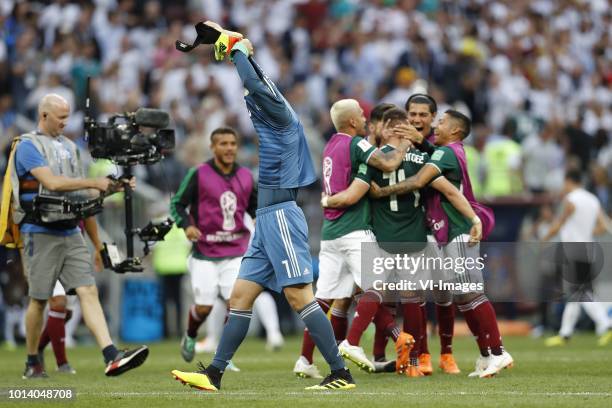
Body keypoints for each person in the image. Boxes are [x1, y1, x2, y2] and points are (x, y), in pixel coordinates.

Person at [171, 23, 354, 391]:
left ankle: (339, 372)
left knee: (299, 295)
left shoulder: (281, 115)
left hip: (282, 215)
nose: (249, 110)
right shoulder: (275, 111)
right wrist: (238, 48)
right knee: (240, 296)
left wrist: (237, 49)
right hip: (268, 218)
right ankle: (215, 374)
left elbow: (254, 85)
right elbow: (256, 82)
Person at [324, 107, 481, 377]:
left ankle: (362, 348)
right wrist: (474, 218)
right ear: (403, 129)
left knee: (374, 296)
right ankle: (415, 362)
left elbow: (356, 193)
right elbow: (450, 191)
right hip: (413, 237)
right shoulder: (422, 159)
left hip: (380, 238)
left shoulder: (370, 160)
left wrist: (328, 199)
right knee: (412, 298)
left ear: (387, 129)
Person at [12, 93, 149, 378]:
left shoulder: (71, 148)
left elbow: (80, 194)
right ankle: (32, 359)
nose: (65, 122)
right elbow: (51, 182)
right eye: (60, 117)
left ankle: (111, 355)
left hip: (70, 229)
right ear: (44, 115)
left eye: (67, 116)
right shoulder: (28, 146)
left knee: (88, 290)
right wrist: (93, 182)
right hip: (40, 230)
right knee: (39, 299)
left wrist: (110, 188)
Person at [370, 109, 513, 378]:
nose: (436, 125)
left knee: (469, 294)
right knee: (461, 297)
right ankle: (484, 355)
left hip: (450, 232)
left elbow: (424, 182)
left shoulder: (445, 153)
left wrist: (381, 192)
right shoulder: (444, 151)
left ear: (456, 131)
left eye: (442, 121)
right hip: (440, 233)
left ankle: (496, 351)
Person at [293, 100, 415, 379]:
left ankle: (304, 359)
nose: (364, 117)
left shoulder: (330, 146)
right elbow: (387, 163)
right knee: (376, 286)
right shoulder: (355, 143)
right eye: (360, 114)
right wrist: (406, 143)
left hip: (330, 234)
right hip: (354, 230)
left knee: (324, 298)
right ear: (351, 122)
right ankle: (353, 342)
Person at [170, 126, 283, 365]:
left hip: (235, 251)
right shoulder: (198, 173)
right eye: (223, 144)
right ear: (212, 147)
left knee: (237, 303)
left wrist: (261, 220)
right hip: (204, 253)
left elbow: (255, 207)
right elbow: (177, 204)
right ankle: (190, 335)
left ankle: (223, 356)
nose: (229, 148)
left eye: (233, 143)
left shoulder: (245, 175)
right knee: (204, 308)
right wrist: (187, 225)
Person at [542, 169, 612, 347]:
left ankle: (606, 325)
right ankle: (565, 334)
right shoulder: (593, 199)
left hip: (573, 250)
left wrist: (544, 239)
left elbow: (559, 222)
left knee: (580, 292)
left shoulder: (571, 199)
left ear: (568, 181)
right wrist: (587, 232)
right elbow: (603, 226)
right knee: (576, 293)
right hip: (588, 249)